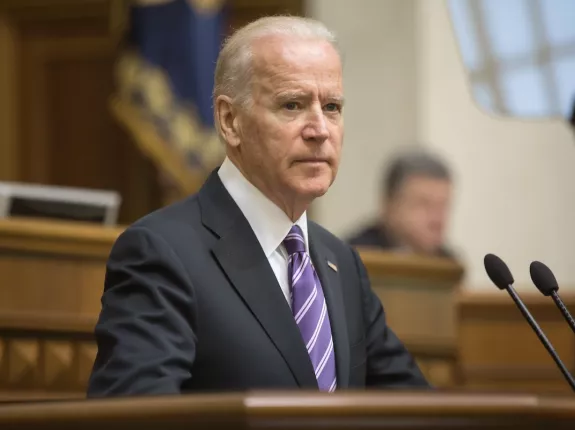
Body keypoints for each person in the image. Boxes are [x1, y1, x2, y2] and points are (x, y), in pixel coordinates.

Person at [87, 16, 428, 397]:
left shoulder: (340, 262)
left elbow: (416, 406)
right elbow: (136, 415)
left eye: (332, 107)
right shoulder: (161, 253)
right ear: (230, 121)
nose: (320, 130)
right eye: (293, 105)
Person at [348, 149, 455, 259]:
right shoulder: (352, 259)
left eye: (443, 206)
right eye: (424, 204)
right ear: (390, 205)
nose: (436, 220)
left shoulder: (451, 264)